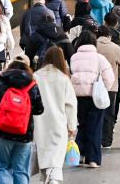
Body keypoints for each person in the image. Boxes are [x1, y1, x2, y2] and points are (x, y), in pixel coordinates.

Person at [0, 60, 44, 184]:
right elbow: (39, 109)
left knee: (3, 166)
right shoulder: (32, 86)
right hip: (24, 133)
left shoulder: (0, 82)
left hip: (2, 131)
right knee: (20, 170)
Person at [33, 47, 78, 184]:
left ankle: (44, 178)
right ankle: (53, 179)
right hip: (59, 123)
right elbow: (70, 104)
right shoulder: (63, 79)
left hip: (39, 123)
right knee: (56, 156)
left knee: (43, 152)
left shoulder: (36, 76)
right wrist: (72, 126)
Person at [70, 31, 114, 168]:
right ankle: (93, 159)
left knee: (82, 125)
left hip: (78, 97)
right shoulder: (99, 58)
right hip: (95, 97)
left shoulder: (74, 58)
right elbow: (109, 78)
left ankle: (79, 156)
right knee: (95, 127)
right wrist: (103, 89)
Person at [96, 26, 120, 148]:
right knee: (109, 114)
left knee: (96, 113)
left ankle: (96, 138)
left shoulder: (93, 46)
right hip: (111, 85)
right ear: (109, 36)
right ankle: (106, 141)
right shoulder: (115, 48)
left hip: (94, 86)